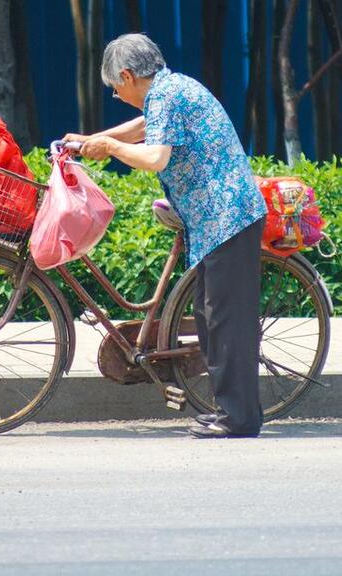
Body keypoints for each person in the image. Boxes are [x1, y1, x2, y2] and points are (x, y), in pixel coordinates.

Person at [63, 33, 268, 439]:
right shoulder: (168, 91)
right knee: (211, 318)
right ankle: (230, 411)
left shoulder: (167, 95)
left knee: (226, 321)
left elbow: (155, 156)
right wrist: (91, 141)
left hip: (228, 216)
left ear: (127, 76)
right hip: (215, 221)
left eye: (115, 88)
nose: (118, 96)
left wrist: (109, 147)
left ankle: (240, 419)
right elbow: (143, 128)